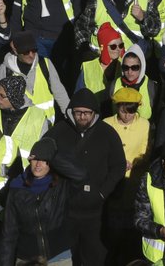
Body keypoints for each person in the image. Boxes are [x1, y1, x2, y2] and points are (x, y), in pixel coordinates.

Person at [45, 87, 126, 264]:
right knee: (64, 259)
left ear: (94, 113)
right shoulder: (59, 131)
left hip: (96, 214)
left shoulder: (107, 133)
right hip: (65, 212)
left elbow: (118, 166)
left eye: (86, 113)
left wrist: (102, 192)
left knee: (94, 259)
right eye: (77, 112)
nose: (82, 117)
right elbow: (42, 154)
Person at [0, 137, 85, 265]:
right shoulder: (17, 188)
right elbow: (8, 235)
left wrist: (53, 155)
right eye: (36, 159)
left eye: (44, 160)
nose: (38, 164)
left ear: (51, 163)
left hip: (59, 257)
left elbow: (81, 175)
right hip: (27, 259)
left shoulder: (61, 184)